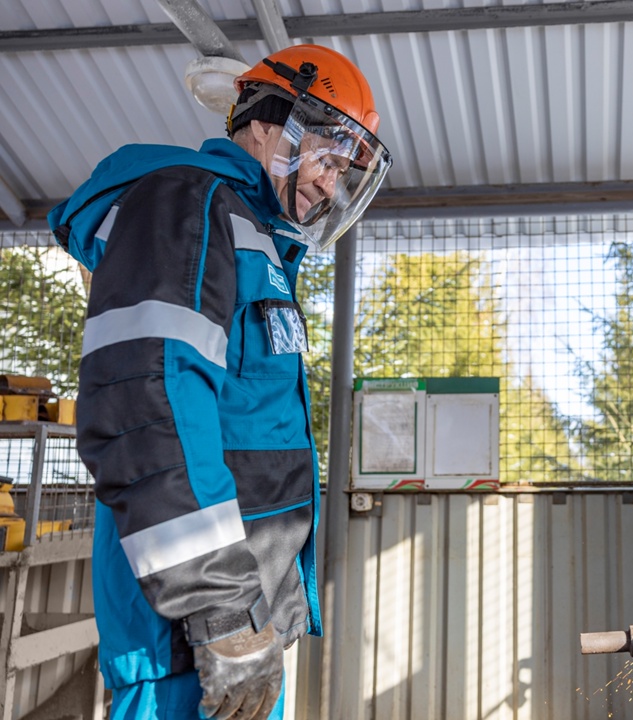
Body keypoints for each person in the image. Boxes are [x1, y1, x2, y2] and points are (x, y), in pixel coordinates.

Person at [47, 44, 392, 719]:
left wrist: (245, 617)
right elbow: (148, 406)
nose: (331, 183)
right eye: (327, 156)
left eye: (343, 169)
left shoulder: (252, 232)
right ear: (267, 125)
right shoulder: (187, 204)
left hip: (237, 618)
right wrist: (220, 611)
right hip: (192, 631)